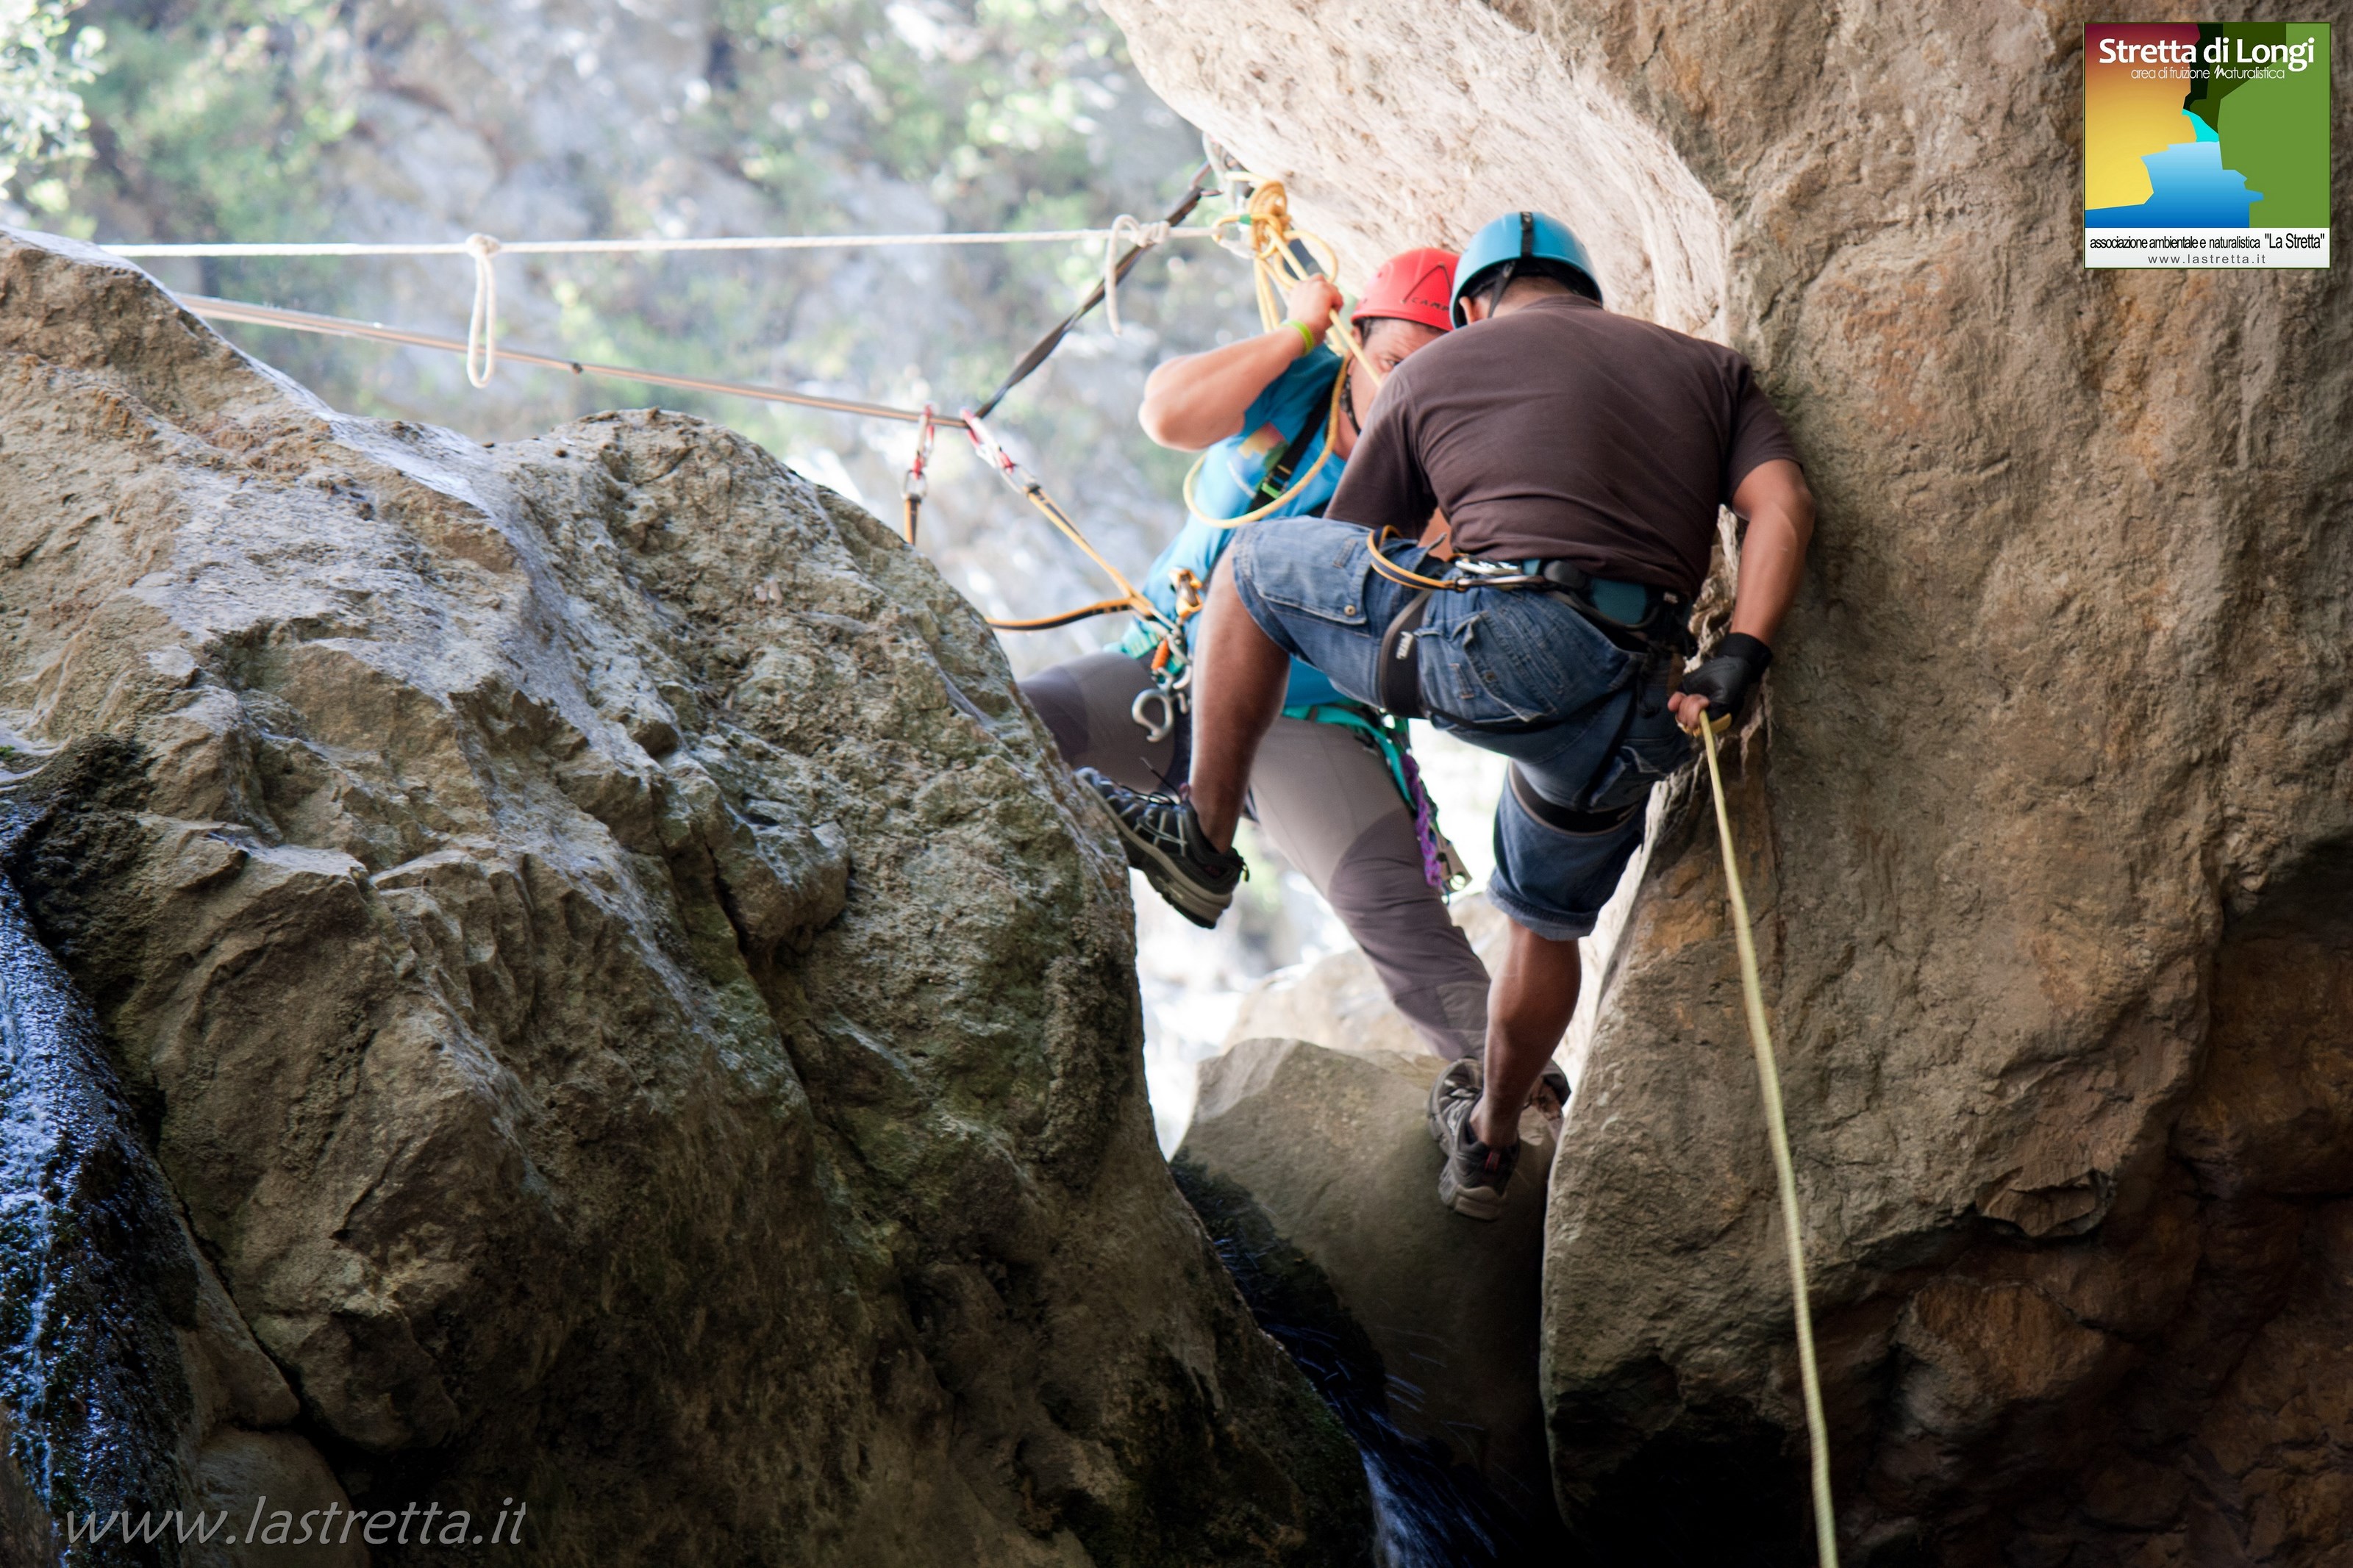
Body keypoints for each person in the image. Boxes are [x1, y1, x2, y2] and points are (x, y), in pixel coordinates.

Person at [1085, 211, 1815, 1218]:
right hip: (1639, 707)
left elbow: (1349, 548)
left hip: (1498, 649)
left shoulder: (1437, 369)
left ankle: (1201, 843)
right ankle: (1489, 1140)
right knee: (1542, 925)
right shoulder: (1712, 372)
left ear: (1473, 305)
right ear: (1586, 295)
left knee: (1256, 564)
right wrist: (1740, 653)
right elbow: (1782, 506)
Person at [1020, 248, 1510, 1065]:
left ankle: (1518, 1107)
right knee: (1012, 731)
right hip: (1164, 670)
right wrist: (1295, 332)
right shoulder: (1294, 383)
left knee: (1397, 917)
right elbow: (1167, 414)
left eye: (1433, 380)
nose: (1403, 393)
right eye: (1391, 363)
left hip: (1308, 718)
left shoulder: (1452, 482)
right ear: (1355, 339)